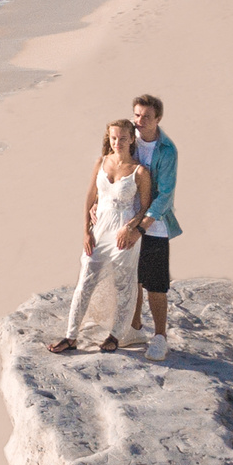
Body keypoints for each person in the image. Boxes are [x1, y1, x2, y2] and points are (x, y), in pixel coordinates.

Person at [45, 119, 153, 355]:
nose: (118, 143)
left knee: (124, 284)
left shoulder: (140, 171)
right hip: (99, 230)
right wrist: (85, 231)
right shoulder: (101, 162)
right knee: (85, 282)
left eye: (123, 138)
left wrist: (131, 228)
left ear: (132, 138)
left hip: (124, 233)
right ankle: (71, 336)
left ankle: (115, 335)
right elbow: (90, 198)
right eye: (114, 138)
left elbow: (145, 207)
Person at [126, 93, 182, 362]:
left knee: (156, 285)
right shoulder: (128, 140)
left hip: (155, 226)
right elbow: (109, 169)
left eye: (146, 116)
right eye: (136, 115)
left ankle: (160, 338)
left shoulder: (167, 150)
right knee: (131, 279)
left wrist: (143, 227)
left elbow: (166, 195)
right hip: (126, 219)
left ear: (158, 119)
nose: (140, 121)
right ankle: (134, 328)